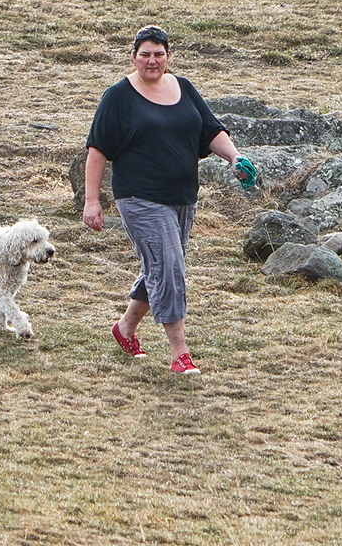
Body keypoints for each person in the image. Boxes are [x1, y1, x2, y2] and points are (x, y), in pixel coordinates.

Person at [82, 25, 255, 375]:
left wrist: (235, 158)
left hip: (182, 197)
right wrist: (92, 200)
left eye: (159, 54)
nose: (152, 60)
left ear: (168, 56)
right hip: (139, 197)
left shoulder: (183, 88)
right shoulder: (118, 97)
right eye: (145, 54)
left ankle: (125, 327)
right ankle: (180, 353)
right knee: (170, 268)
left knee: (162, 267)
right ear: (134, 57)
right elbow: (97, 150)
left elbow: (211, 132)